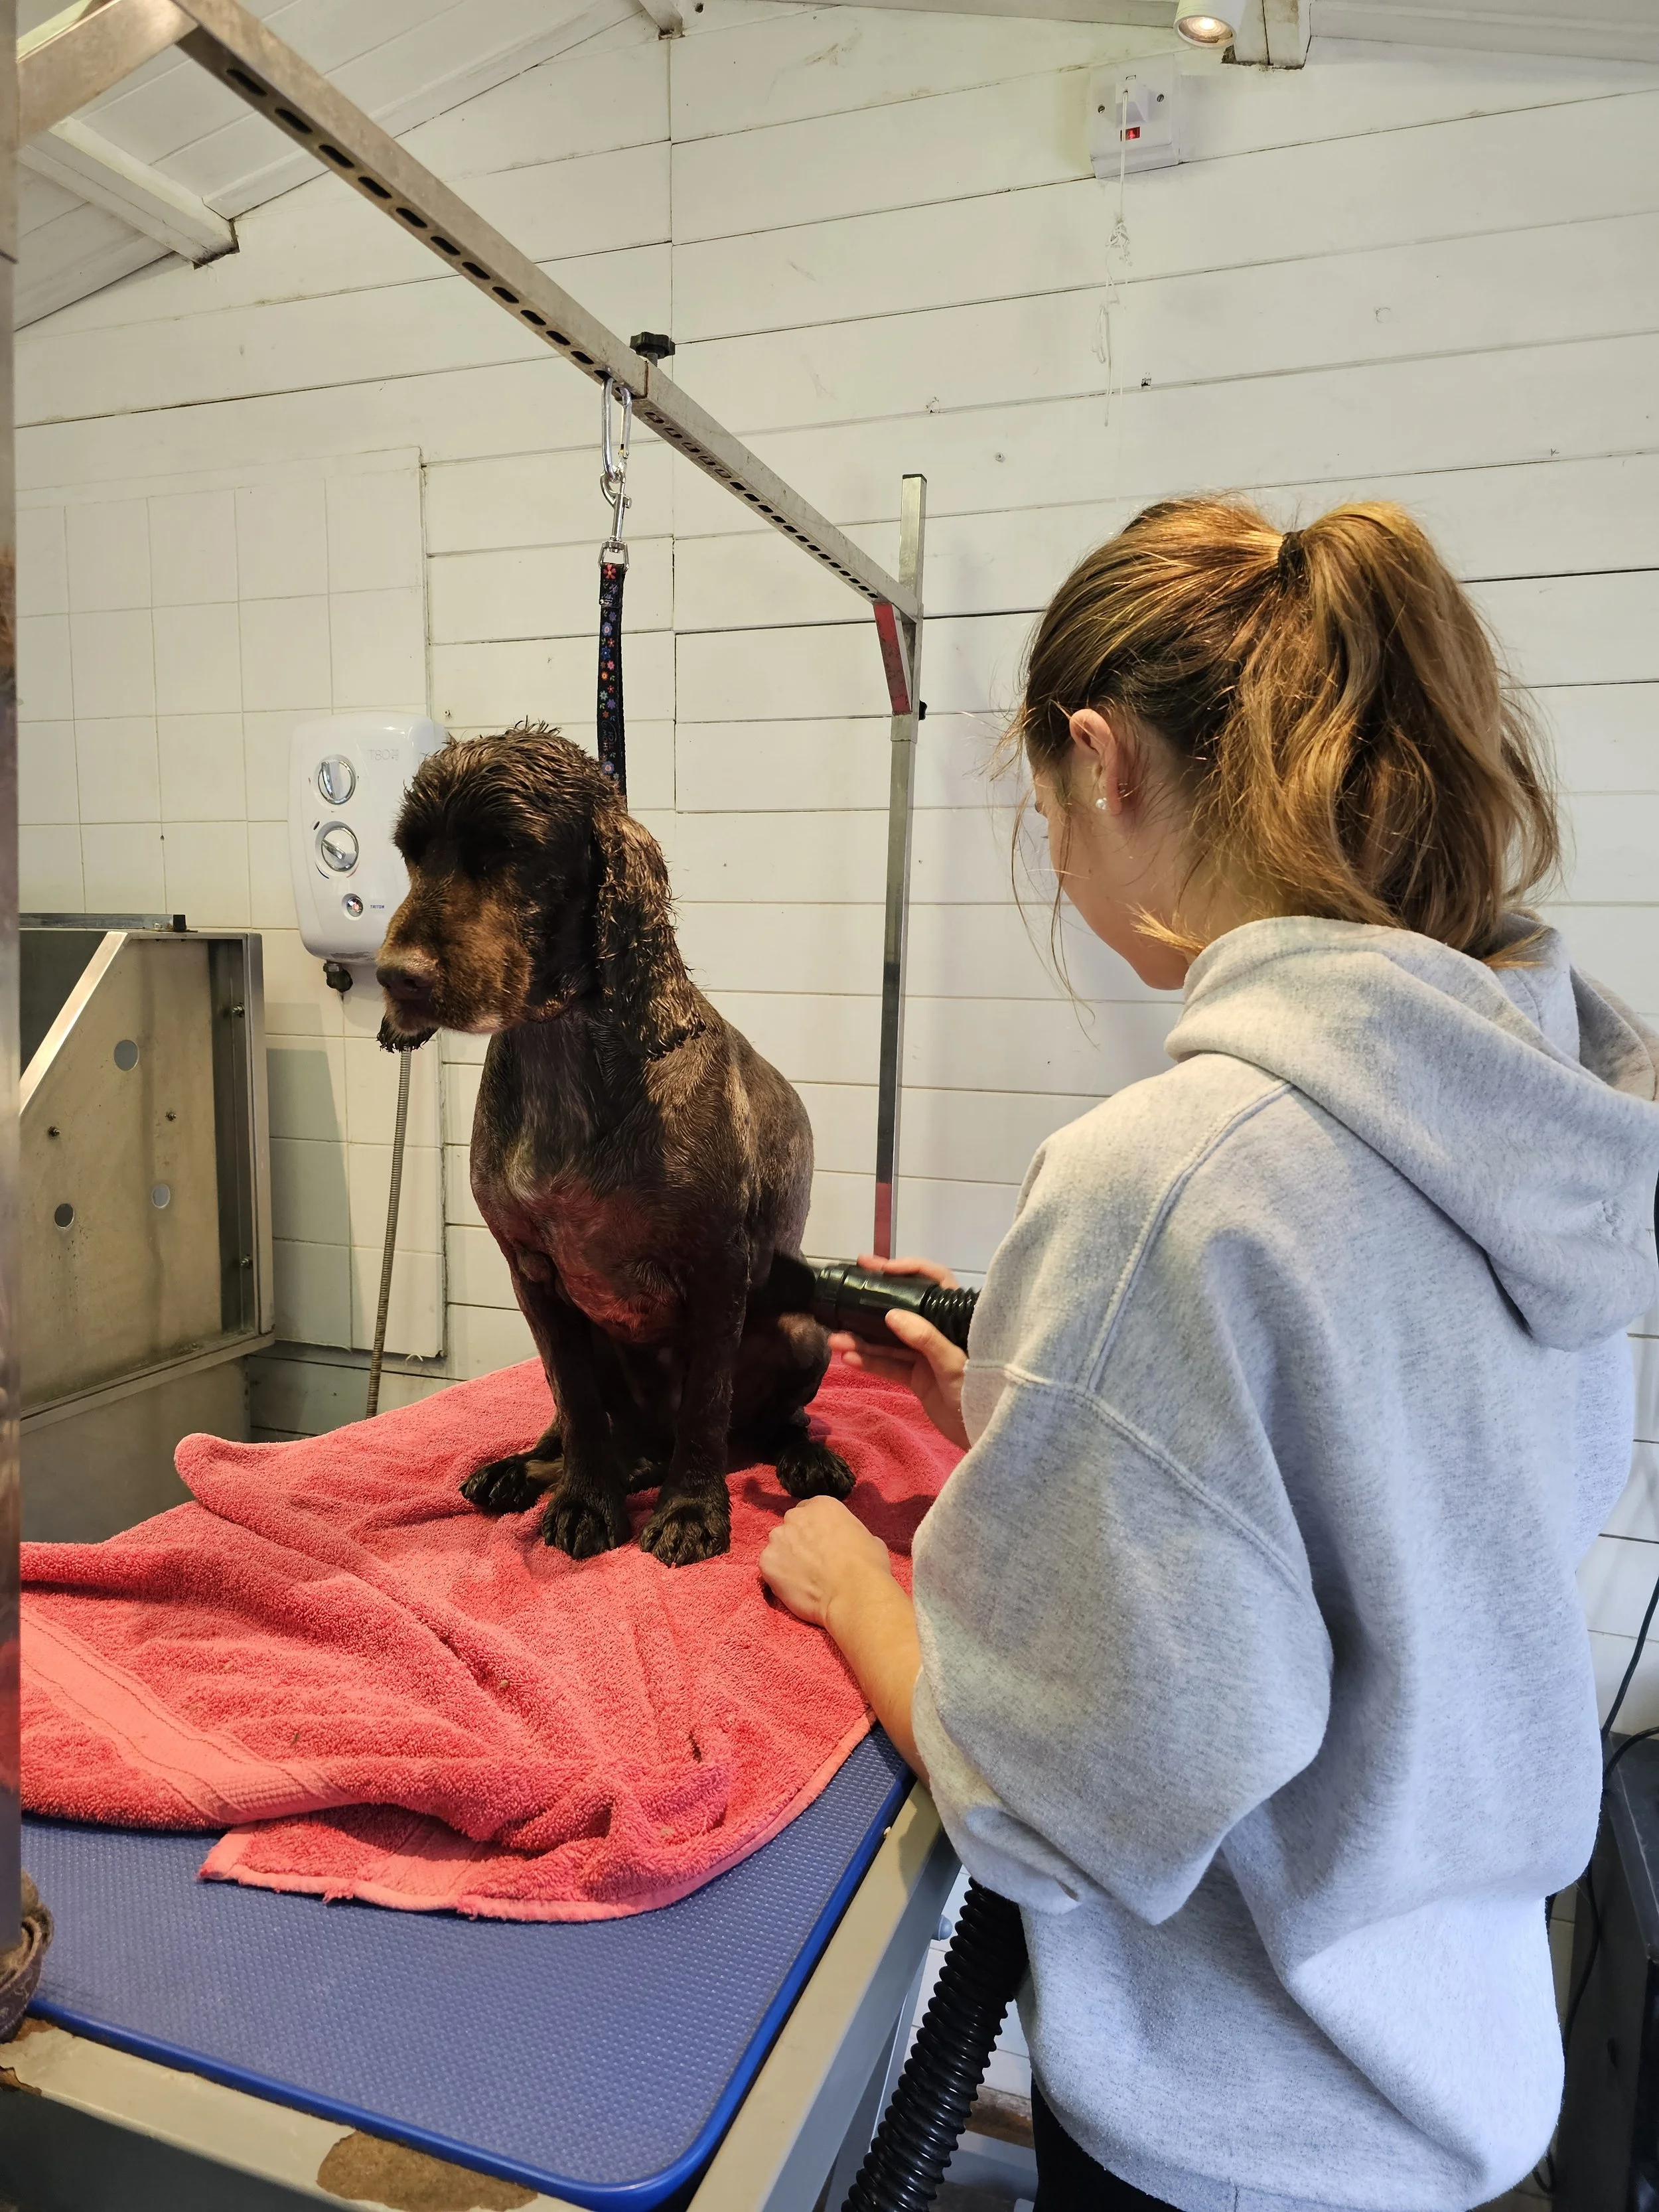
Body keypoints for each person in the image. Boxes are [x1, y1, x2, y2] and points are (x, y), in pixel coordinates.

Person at [758, 498, 1659, 2212]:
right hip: (1452, 2074)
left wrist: (859, 1590)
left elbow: (1064, 1804)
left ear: (1100, 761)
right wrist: (1049, 1421)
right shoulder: (1525, 1115)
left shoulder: (1171, 1180)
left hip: (1239, 2135)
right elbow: (1385, 1505)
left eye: (1042, 801)